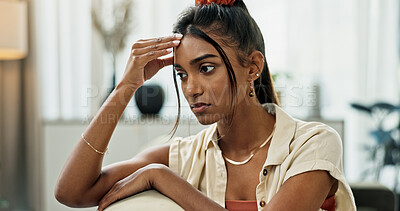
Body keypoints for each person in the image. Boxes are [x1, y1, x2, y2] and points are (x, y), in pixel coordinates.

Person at [55, 0, 356, 210]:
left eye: (207, 68)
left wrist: (163, 178)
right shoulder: (184, 155)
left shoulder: (313, 144)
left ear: (253, 67)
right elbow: (71, 192)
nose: (191, 88)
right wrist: (126, 87)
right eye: (182, 74)